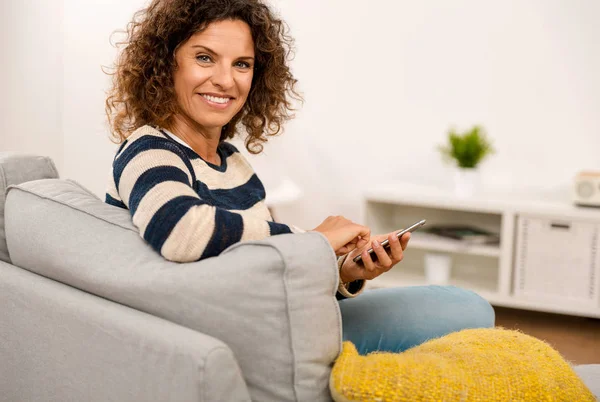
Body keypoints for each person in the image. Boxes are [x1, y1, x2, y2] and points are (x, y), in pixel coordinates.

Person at [105, 0, 494, 355]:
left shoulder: (232, 162)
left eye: (242, 64)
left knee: (463, 305)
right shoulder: (149, 149)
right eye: (205, 58)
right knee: (465, 309)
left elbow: (270, 268)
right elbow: (180, 230)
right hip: (248, 337)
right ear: (165, 64)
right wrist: (314, 241)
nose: (226, 80)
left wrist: (344, 270)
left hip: (274, 318)